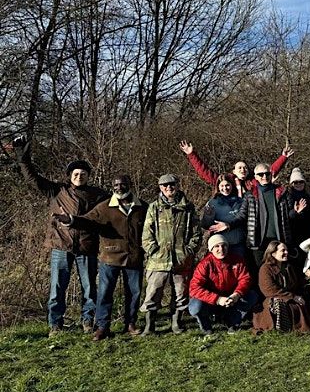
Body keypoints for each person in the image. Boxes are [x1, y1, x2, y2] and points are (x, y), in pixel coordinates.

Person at [14, 136, 108, 335]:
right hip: (61, 246)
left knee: (90, 289)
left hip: (86, 247)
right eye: (76, 173)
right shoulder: (57, 191)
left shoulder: (98, 195)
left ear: (88, 176)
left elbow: (116, 207)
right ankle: (55, 325)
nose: (79, 176)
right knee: (57, 289)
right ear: (69, 175)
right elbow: (33, 178)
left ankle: (88, 322)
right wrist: (23, 158)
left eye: (83, 173)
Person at [55, 175, 147, 340]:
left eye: (123, 184)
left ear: (130, 185)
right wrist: (70, 220)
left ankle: (131, 323)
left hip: (134, 257)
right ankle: (102, 327)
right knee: (105, 293)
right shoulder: (104, 207)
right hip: (109, 257)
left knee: (134, 293)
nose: (119, 187)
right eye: (116, 185)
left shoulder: (143, 207)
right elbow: (87, 221)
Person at [140, 174, 202, 335]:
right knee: (153, 292)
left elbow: (197, 234)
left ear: (177, 185)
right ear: (160, 187)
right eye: (165, 185)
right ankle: (149, 325)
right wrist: (153, 250)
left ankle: (176, 322)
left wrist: (188, 251)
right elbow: (147, 233)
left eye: (172, 184)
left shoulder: (188, 208)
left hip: (182, 259)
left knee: (180, 292)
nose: (169, 187)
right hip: (158, 260)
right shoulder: (154, 207)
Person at [232, 162, 302, 271]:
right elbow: (242, 215)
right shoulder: (250, 195)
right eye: (261, 174)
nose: (264, 176)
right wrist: (228, 225)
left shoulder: (282, 193)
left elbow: (289, 216)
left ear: (271, 174)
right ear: (255, 177)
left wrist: (296, 212)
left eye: (267, 174)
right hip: (258, 241)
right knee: (260, 271)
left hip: (279, 240)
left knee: (280, 269)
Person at [188, 234, 256, 333]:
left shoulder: (237, 260)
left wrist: (236, 294)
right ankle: (206, 327)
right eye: (217, 246)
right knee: (195, 306)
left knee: (252, 295)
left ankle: (232, 322)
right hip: (211, 300)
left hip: (231, 298)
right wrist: (217, 299)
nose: (221, 249)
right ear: (211, 249)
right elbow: (194, 288)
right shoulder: (204, 264)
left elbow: (245, 279)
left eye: (224, 245)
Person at [179, 140, 293, 198]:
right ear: (234, 171)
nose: (243, 170)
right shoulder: (227, 181)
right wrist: (191, 154)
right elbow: (205, 172)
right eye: (239, 168)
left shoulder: (253, 181)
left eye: (245, 168)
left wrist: (283, 157)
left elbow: (269, 171)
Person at [254, 240, 310, 332]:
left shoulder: (288, 266)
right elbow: (269, 290)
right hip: (275, 298)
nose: (286, 252)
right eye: (283, 251)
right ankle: (281, 328)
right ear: (273, 253)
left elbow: (296, 283)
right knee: (278, 303)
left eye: (286, 250)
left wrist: (307, 278)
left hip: (290, 296)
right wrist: (293, 297)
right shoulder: (265, 269)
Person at [201, 173, 247, 258]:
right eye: (222, 185)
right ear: (218, 187)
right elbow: (206, 225)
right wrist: (208, 216)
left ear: (232, 185)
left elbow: (243, 218)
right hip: (220, 246)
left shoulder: (240, 201)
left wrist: (228, 225)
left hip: (238, 245)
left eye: (227, 185)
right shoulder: (212, 203)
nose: (225, 188)